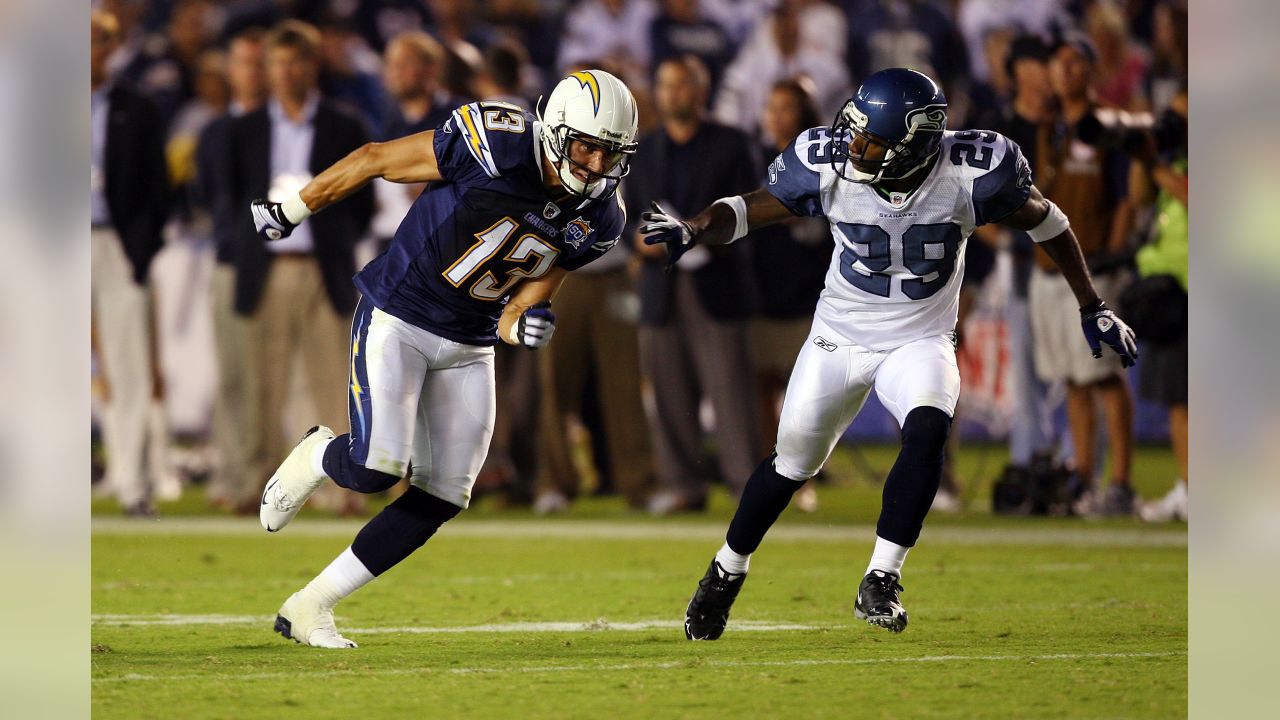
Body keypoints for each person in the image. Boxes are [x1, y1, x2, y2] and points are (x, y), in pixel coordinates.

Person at [641, 68, 1138, 639]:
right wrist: (697, 226)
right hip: (839, 334)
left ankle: (882, 576)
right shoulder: (828, 160)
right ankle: (725, 571)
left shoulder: (972, 173)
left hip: (920, 337)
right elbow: (755, 206)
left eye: (872, 140)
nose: (855, 146)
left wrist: (1090, 304)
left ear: (915, 144)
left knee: (928, 428)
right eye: (854, 131)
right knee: (790, 466)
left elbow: (1049, 223)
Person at [250, 69, 638, 648]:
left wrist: (526, 327)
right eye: (587, 147)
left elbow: (520, 305)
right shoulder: (496, 142)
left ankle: (310, 606)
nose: (597, 166)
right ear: (556, 129)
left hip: (471, 340)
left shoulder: (602, 218)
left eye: (611, 154)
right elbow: (377, 158)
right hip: (401, 313)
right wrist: (294, 209)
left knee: (444, 495)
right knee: (375, 469)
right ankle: (316, 457)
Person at [226, 21, 375, 517]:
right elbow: (226, 198)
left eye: (296, 62)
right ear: (266, 69)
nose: (286, 72)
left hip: (322, 266)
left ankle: (340, 488)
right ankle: (256, 483)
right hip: (265, 267)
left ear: (314, 66)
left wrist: (334, 238)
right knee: (260, 382)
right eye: (278, 63)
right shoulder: (244, 129)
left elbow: (362, 202)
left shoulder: (342, 124)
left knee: (333, 379)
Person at [625, 56, 763, 515]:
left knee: (731, 394)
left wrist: (698, 233)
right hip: (659, 285)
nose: (672, 93)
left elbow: (753, 212)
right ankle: (681, 484)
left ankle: (747, 487)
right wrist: (639, 243)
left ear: (701, 91)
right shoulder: (641, 151)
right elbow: (624, 214)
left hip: (717, 282)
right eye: (665, 84)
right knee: (668, 393)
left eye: (682, 85)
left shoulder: (732, 144)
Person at [1031, 36, 1137, 517]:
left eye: (1077, 63)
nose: (1067, 72)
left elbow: (1125, 196)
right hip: (1045, 267)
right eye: (1060, 64)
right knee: (1072, 379)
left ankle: (1120, 483)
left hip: (1091, 268)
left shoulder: (1109, 124)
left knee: (1103, 377)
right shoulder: (1048, 124)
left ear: (1092, 72)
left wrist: (1113, 252)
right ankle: (1085, 479)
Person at [91, 8, 172, 517]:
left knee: (130, 367)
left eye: (97, 41)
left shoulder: (137, 108)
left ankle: (135, 485)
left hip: (113, 242)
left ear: (112, 47)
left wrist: (139, 250)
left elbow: (156, 188)